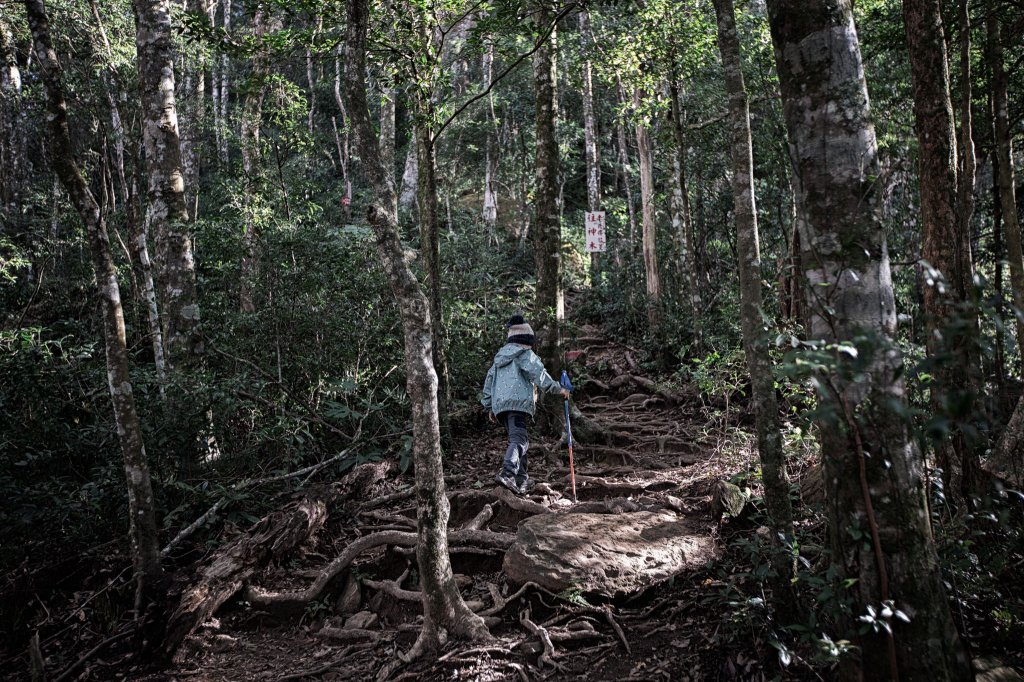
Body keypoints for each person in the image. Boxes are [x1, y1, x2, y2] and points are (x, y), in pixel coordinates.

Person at [480, 315, 569, 495]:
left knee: (520, 440)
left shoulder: (499, 359)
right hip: (517, 404)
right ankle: (508, 474)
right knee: (520, 440)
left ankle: (521, 480)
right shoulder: (524, 354)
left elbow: (489, 382)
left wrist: (489, 406)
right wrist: (557, 388)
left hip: (501, 407)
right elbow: (538, 374)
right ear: (526, 340)